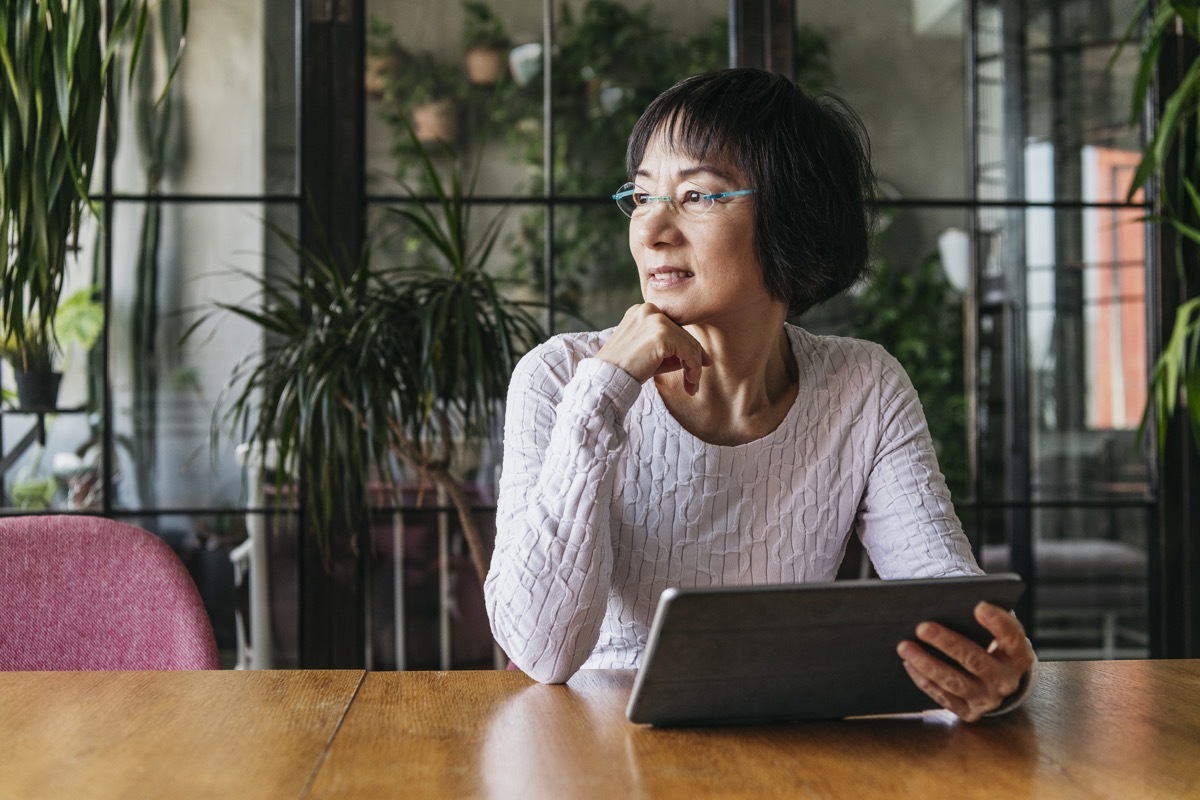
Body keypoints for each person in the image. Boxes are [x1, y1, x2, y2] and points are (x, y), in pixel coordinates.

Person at [484, 67, 1035, 722]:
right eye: (640, 195)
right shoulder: (558, 376)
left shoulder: (865, 385)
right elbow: (541, 653)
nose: (652, 229)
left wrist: (996, 677)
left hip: (791, 752)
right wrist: (603, 390)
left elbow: (949, 605)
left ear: (792, 216)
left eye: (697, 197)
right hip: (590, 756)